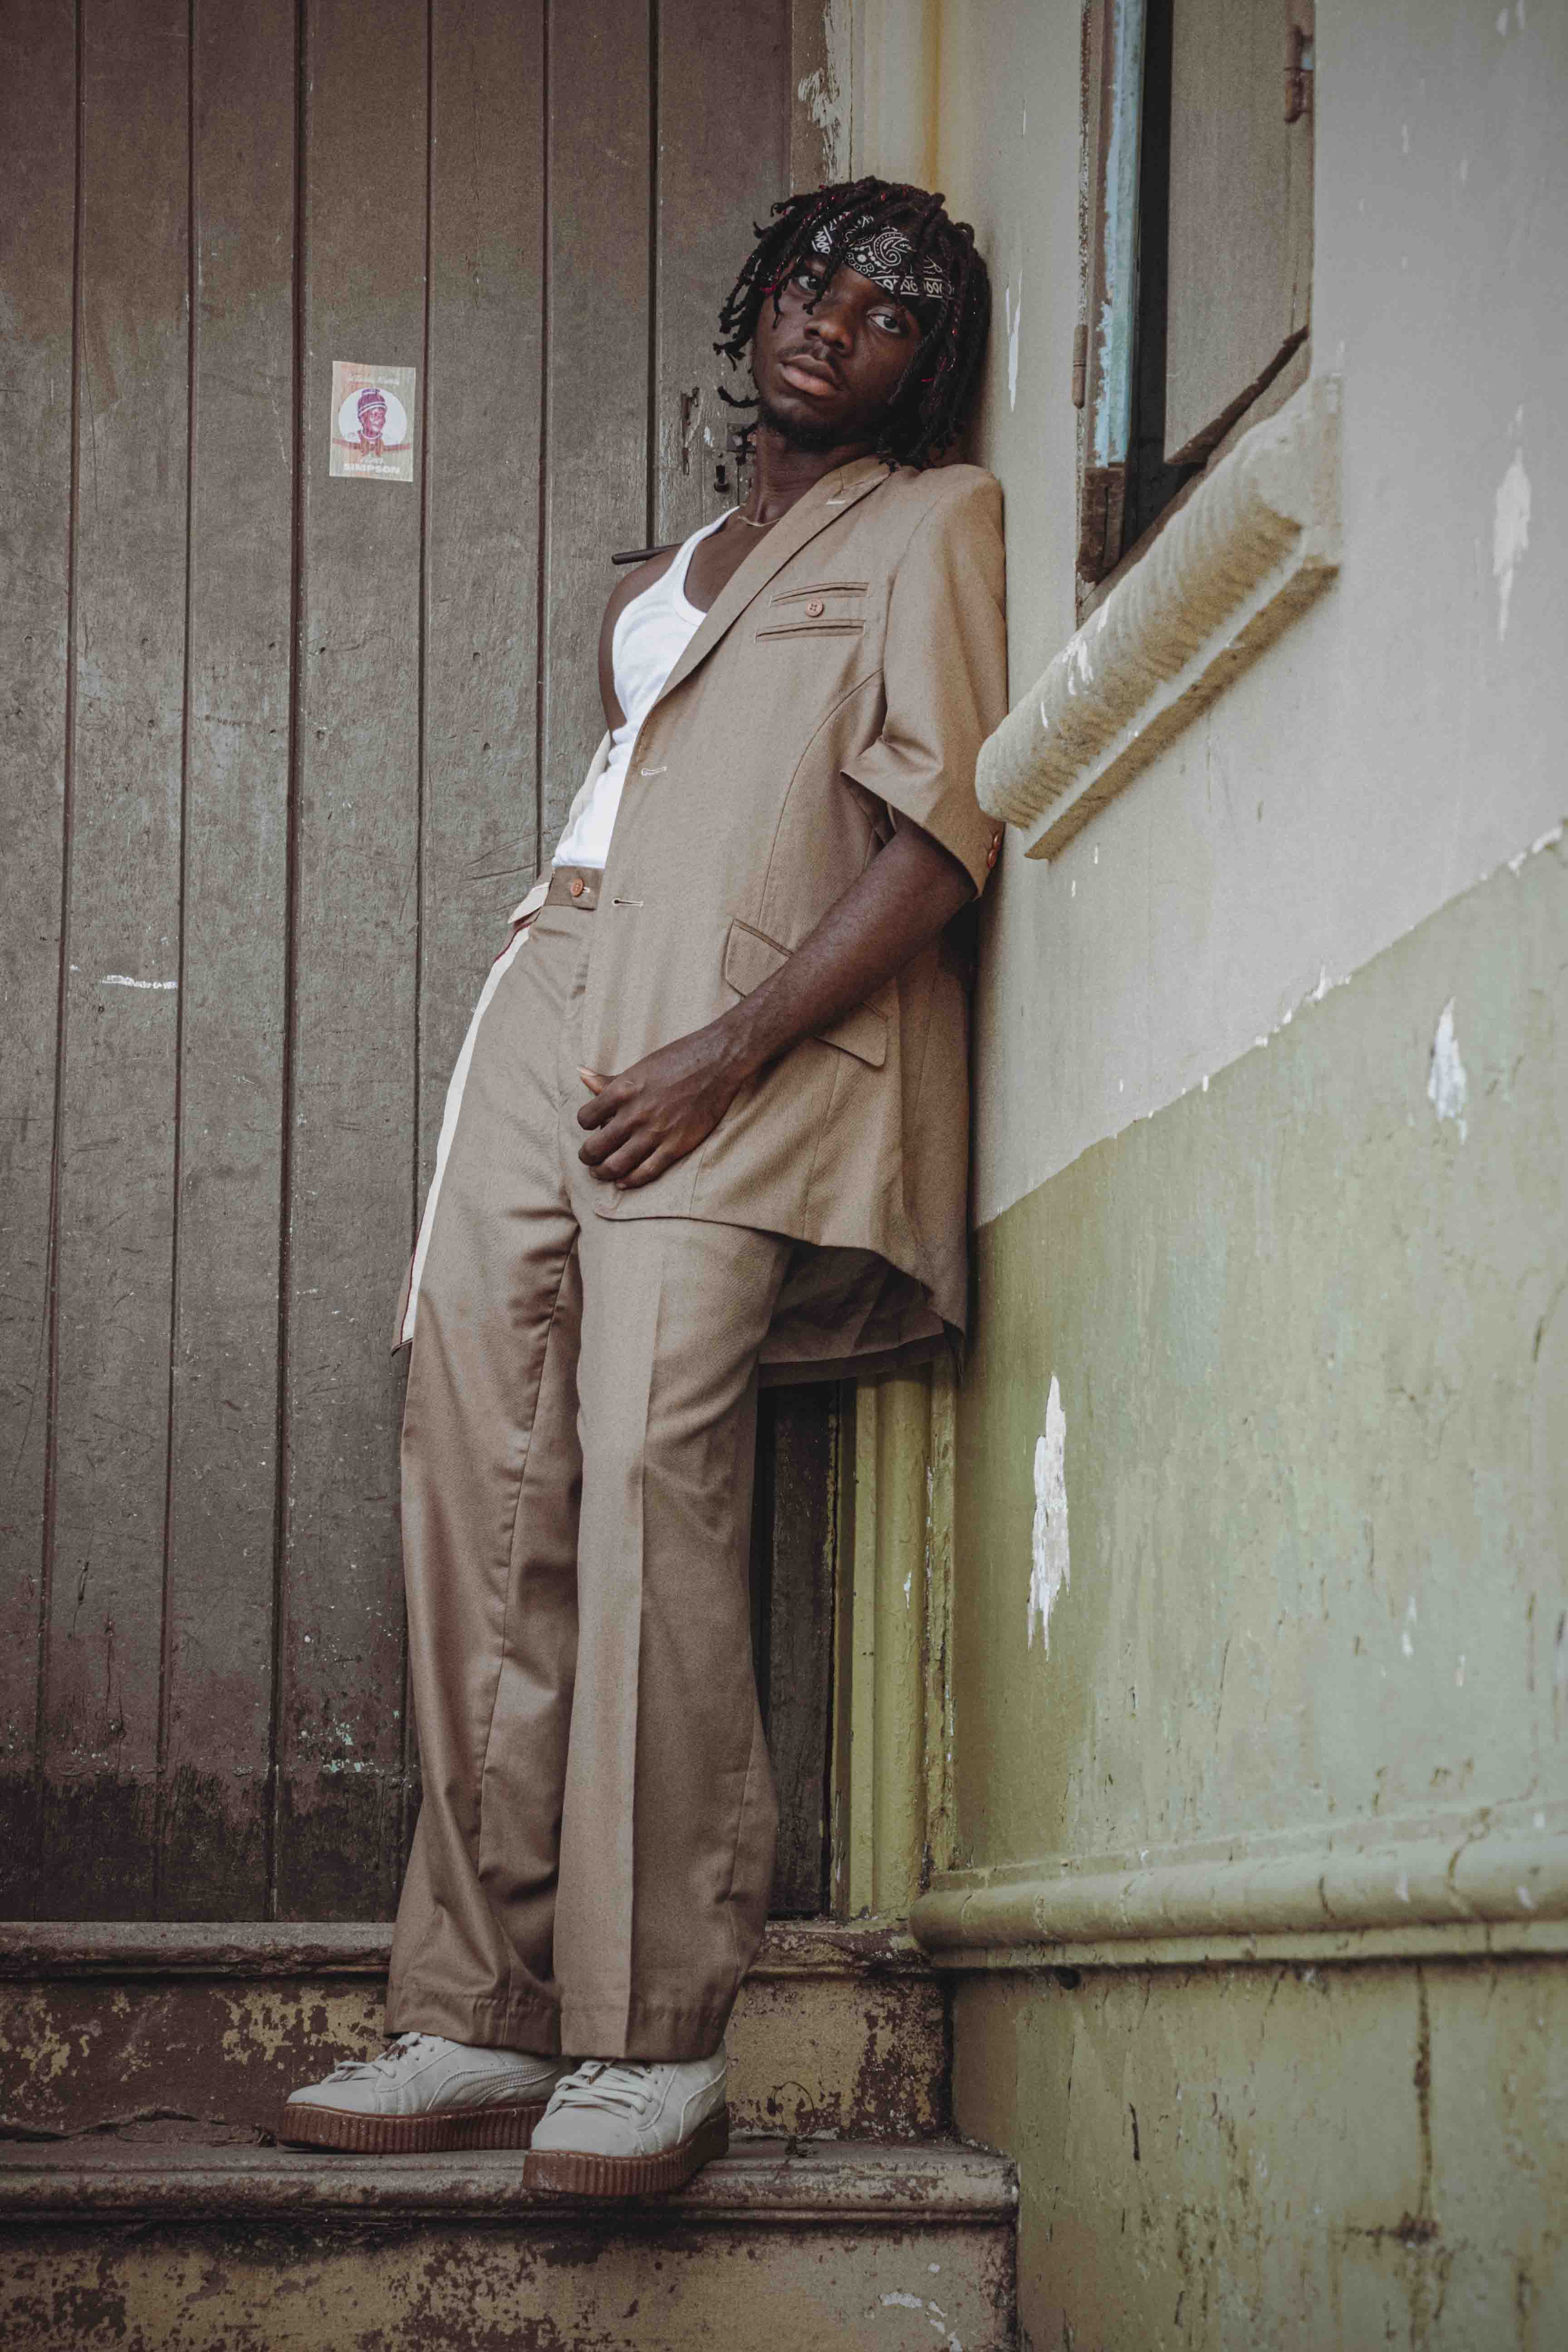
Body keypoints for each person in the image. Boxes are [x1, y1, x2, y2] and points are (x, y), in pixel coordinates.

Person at [280, 177, 1006, 2196]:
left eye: (894, 311)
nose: (839, 321)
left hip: (729, 1025)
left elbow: (943, 834)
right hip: (557, 978)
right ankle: (472, 2010)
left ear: (930, 365)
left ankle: (650, 2036)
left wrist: (728, 1047)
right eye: (817, 281)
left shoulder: (936, 524)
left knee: (652, 1476)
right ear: (760, 296)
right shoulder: (668, 571)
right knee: (477, 1468)